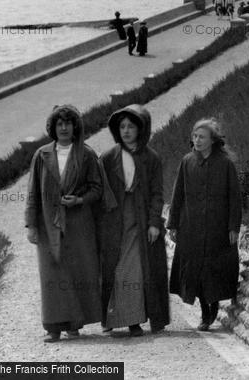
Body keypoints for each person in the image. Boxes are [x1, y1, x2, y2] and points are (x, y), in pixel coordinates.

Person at [25, 105, 102, 343]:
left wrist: (79, 199)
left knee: (78, 273)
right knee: (52, 274)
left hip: (78, 223)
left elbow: (97, 188)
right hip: (49, 223)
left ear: (75, 126)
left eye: (68, 123)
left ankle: (74, 324)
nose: (64, 127)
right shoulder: (42, 155)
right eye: (59, 123)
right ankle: (53, 327)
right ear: (53, 127)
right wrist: (31, 225)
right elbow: (32, 192)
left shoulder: (87, 154)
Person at [99, 105, 170, 337]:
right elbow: (101, 191)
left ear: (141, 129)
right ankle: (111, 317)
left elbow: (157, 193)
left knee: (135, 270)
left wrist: (153, 223)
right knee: (114, 269)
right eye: (122, 127)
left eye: (131, 126)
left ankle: (134, 320)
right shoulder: (108, 158)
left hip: (140, 220)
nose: (126, 131)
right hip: (115, 220)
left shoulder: (151, 158)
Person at [167, 118, 241, 331]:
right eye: (195, 136)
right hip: (191, 228)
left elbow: (235, 198)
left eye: (202, 137)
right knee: (195, 272)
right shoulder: (187, 161)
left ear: (213, 140)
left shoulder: (225, 164)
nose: (197, 141)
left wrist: (233, 227)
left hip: (217, 228)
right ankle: (204, 311)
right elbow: (177, 194)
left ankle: (213, 306)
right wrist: (173, 224)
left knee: (212, 270)